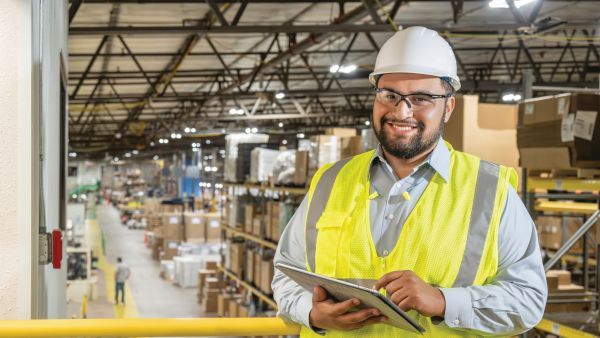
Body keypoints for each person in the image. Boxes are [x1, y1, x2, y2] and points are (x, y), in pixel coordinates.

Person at [272, 26, 547, 337]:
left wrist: (445, 302)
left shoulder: (490, 190)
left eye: (421, 98)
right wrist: (312, 313)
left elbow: (527, 301)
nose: (401, 111)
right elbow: (286, 273)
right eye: (389, 95)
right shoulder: (329, 181)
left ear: (448, 107)